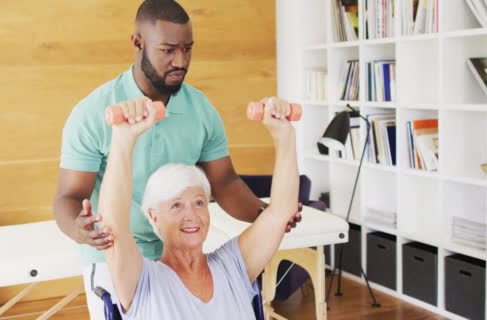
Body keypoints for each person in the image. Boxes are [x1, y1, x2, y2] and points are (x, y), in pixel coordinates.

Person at [52, 1, 301, 318]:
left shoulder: (200, 109)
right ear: (138, 43)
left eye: (187, 49)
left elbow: (224, 183)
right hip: (115, 254)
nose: (180, 61)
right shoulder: (92, 112)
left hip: (180, 252)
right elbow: (70, 198)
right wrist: (81, 228)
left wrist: (267, 216)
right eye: (168, 50)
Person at [97, 100, 299, 319]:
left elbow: (279, 214)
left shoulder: (232, 266)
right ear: (154, 217)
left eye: (199, 203)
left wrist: (284, 136)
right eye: (176, 205)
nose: (191, 216)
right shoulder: (142, 282)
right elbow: (112, 228)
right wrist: (123, 140)